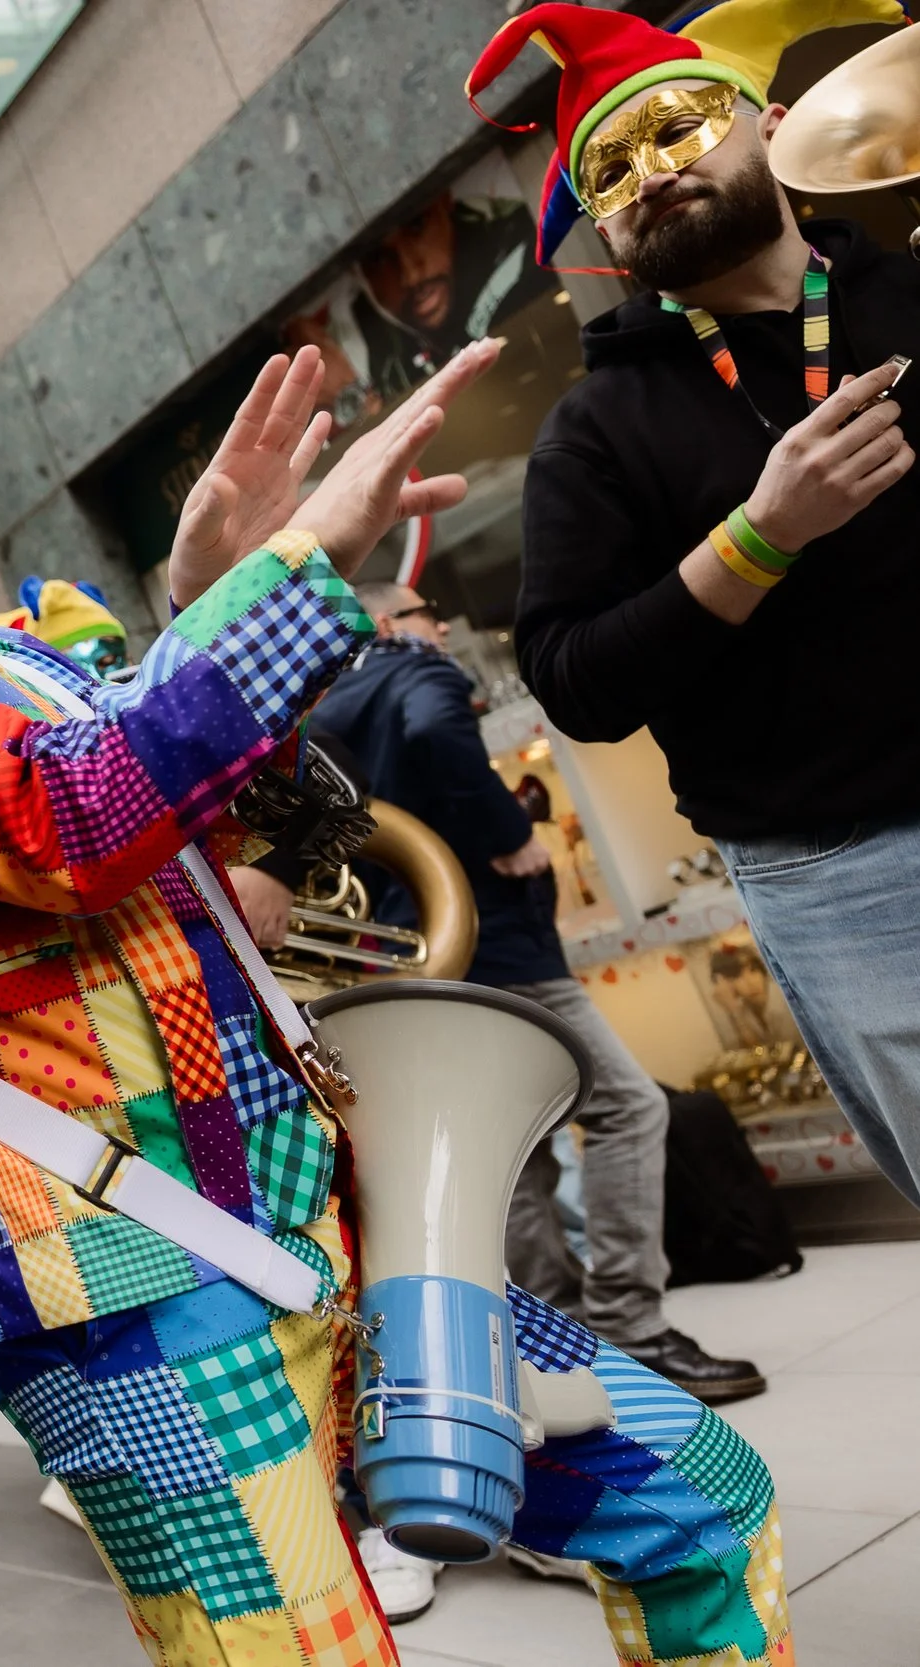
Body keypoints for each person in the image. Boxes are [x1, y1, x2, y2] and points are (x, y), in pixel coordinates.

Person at [0, 277, 791, 1663]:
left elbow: (239, 822)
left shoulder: (14, 651)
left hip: (307, 1203)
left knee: (700, 1500)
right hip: (110, 1258)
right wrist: (295, 566)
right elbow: (65, 822)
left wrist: (199, 598)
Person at [479, 1, 920, 1202]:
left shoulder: (908, 290)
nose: (648, 174)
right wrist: (760, 538)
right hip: (849, 875)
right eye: (608, 168)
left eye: (676, 127)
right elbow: (571, 680)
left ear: (770, 126)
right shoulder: (595, 431)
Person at [300, 578, 765, 1404]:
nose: (439, 628)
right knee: (629, 1107)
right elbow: (438, 730)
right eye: (424, 615)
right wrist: (510, 835)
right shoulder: (417, 669)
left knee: (519, 1149)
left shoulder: (335, 703)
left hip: (421, 951)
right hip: (504, 944)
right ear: (387, 626)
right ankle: (631, 1325)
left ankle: (554, 1343)